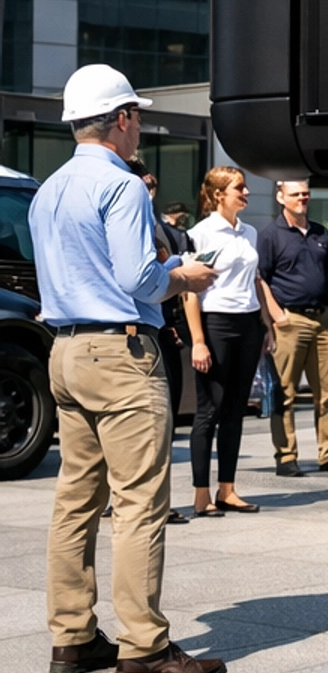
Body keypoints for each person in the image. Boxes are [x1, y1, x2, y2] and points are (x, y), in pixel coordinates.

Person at [27, 64, 227, 673]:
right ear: (121, 119)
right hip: (120, 354)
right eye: (136, 116)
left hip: (65, 350)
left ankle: (73, 638)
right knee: (139, 502)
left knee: (75, 501)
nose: (138, 127)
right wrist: (184, 278)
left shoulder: (48, 189)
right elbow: (138, 278)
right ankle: (143, 648)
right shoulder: (121, 186)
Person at [256, 177, 328, 477]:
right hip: (291, 320)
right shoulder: (270, 235)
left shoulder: (320, 233)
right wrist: (276, 318)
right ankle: (286, 457)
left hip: (323, 319)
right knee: (284, 392)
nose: (302, 198)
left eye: (306, 194)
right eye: (296, 194)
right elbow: (260, 279)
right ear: (280, 197)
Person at [183, 168, 270, 516]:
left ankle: (227, 490)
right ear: (219, 194)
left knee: (236, 411)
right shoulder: (201, 234)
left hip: (248, 323)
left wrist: (266, 326)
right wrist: (198, 341)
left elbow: (255, 282)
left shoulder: (248, 232)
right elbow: (190, 291)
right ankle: (201, 494)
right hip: (215, 323)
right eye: (239, 188)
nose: (246, 192)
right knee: (209, 411)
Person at [134, 161, 189, 525]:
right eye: (145, 183)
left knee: (164, 420)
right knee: (146, 424)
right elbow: (141, 278)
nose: (150, 190)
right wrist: (183, 270)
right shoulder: (131, 223)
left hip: (164, 330)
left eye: (152, 184)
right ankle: (142, 501)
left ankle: (158, 498)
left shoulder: (166, 230)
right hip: (137, 335)